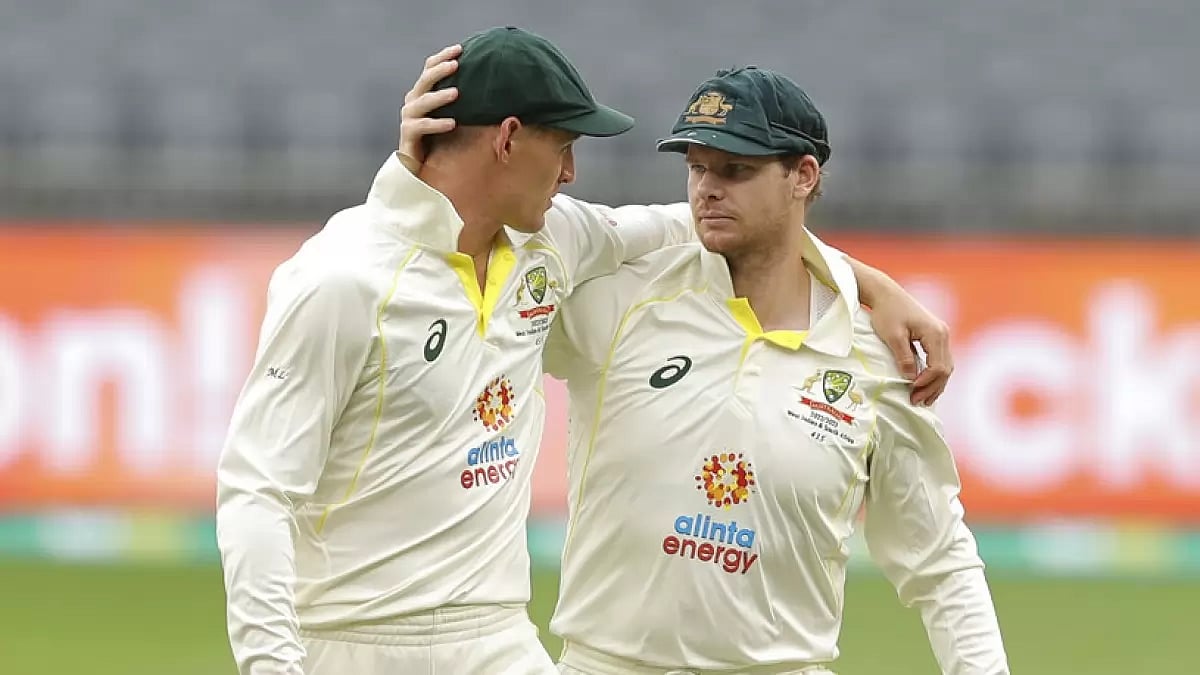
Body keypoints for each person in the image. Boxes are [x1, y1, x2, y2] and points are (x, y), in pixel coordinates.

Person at [217, 26, 955, 675]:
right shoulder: (342, 278)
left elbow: (721, 224)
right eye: (562, 146)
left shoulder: (549, 241)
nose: (571, 173)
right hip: (350, 639)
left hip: (498, 637)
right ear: (507, 138)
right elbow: (257, 491)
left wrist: (872, 286)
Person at [536, 67, 1010, 673]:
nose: (707, 188)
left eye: (735, 170)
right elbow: (524, 239)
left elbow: (939, 562)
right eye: (697, 167)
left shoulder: (875, 358)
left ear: (803, 176)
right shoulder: (625, 299)